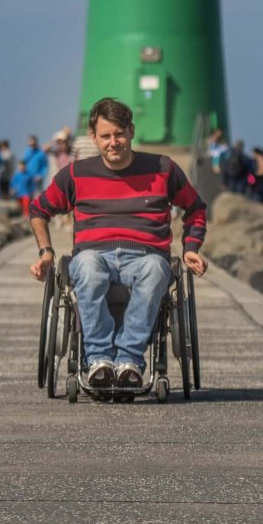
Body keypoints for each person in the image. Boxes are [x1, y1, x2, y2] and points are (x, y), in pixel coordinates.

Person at [29, 98, 208, 392]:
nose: (114, 142)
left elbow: (196, 209)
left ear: (131, 131)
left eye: (119, 134)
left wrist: (191, 248)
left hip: (147, 255)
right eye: (106, 136)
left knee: (155, 269)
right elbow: (39, 211)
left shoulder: (163, 168)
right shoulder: (76, 173)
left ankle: (129, 361)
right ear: (93, 137)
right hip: (93, 254)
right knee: (84, 265)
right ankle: (98, 358)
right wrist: (45, 253)